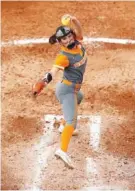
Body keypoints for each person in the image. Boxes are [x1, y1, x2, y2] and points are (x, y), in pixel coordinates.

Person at [32, 14, 88, 169]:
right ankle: (62, 151)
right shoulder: (63, 56)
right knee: (73, 121)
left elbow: (80, 30)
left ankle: (63, 126)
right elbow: (53, 71)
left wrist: (75, 20)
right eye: (64, 39)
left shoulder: (78, 44)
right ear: (60, 42)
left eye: (69, 36)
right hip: (66, 90)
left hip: (74, 89)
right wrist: (42, 83)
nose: (68, 39)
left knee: (80, 97)